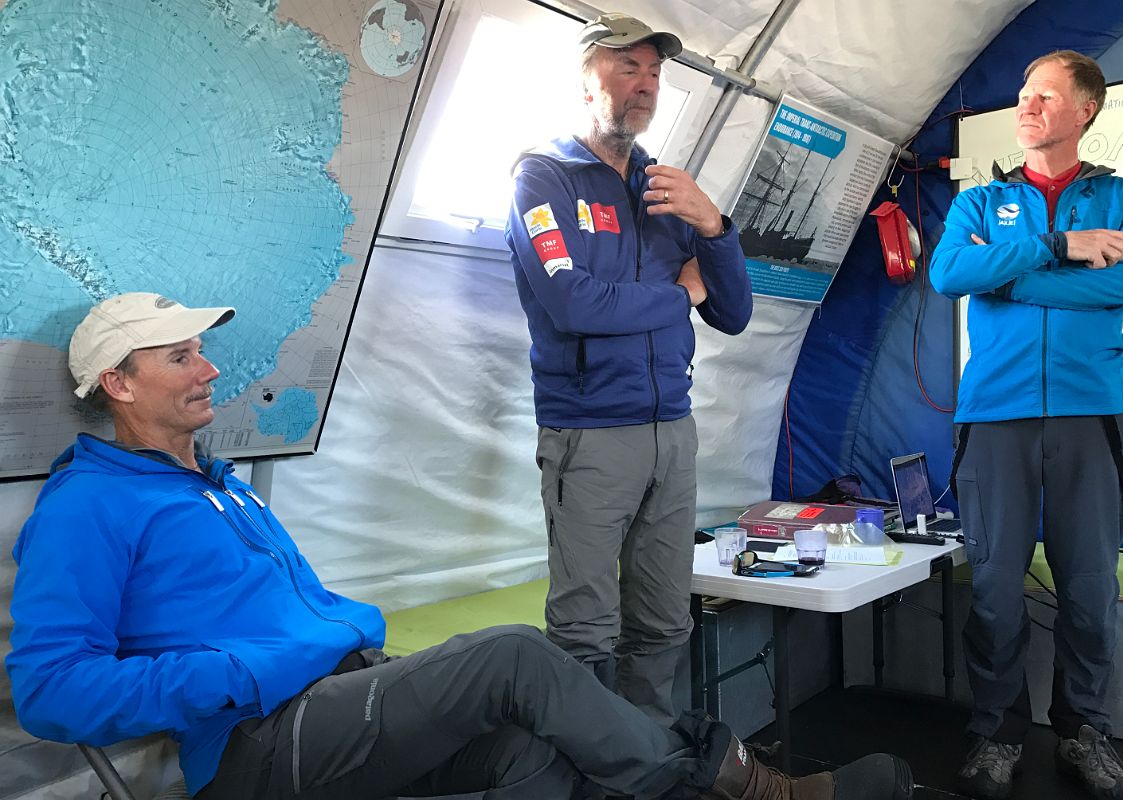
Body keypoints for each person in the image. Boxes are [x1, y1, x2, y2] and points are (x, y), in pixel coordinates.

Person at [6, 292, 913, 800]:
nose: (208, 369)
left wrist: (344, 645)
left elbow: (302, 615)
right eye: (181, 357)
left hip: (334, 688)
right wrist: (249, 673)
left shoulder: (220, 483)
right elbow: (50, 693)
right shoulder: (88, 506)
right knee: (518, 655)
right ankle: (760, 794)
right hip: (254, 740)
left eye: (203, 350)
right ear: (119, 384)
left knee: (539, 758)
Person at [504, 11, 753, 725]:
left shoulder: (666, 187)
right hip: (589, 435)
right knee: (584, 632)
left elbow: (733, 313)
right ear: (587, 81)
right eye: (625, 69)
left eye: (652, 73)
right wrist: (677, 295)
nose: (643, 86)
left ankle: (649, 766)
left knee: (664, 623)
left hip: (672, 434)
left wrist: (714, 228)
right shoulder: (542, 178)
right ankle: (583, 770)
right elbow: (573, 302)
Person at [930, 51, 1123, 800]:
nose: (1026, 106)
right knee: (994, 589)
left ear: (1085, 108)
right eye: (1023, 95)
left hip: (1091, 417)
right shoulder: (976, 203)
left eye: (1045, 96)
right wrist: (1061, 250)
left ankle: (1083, 733)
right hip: (995, 418)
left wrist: (1008, 275)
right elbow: (951, 276)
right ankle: (997, 735)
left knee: (1090, 590)